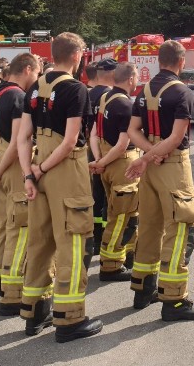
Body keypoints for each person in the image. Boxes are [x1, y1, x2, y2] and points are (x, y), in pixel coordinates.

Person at [16, 32, 102, 342]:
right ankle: (69, 320)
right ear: (77, 56)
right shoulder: (76, 89)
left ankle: (35, 313)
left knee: (40, 241)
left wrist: (29, 174)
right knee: (74, 243)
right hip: (65, 172)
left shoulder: (34, 88)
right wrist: (41, 167)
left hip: (39, 172)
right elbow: (69, 142)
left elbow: (23, 137)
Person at [126, 40, 194, 321]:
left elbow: (132, 130)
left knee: (149, 226)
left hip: (150, 166)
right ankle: (174, 300)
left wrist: (148, 154)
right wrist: (153, 156)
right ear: (181, 62)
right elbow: (175, 138)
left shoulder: (143, 90)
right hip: (172, 165)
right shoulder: (182, 91)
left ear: (158, 61)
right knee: (181, 227)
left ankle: (143, 289)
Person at [0, 52, 40, 315]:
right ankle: (12, 295)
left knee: (3, 228)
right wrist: (2, 170)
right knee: (20, 229)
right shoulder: (17, 97)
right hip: (12, 167)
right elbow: (19, 141)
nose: (36, 79)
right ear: (27, 69)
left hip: (0, 161)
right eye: (36, 74)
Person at [89, 61, 140, 281]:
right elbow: (122, 144)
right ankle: (110, 265)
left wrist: (100, 160)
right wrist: (104, 162)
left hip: (106, 163)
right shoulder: (126, 106)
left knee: (125, 213)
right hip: (121, 165)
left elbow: (94, 134)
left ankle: (129, 254)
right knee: (120, 216)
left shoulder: (104, 99)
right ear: (130, 79)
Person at [87, 58, 117, 258]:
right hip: (106, 151)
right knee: (110, 199)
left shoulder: (88, 94)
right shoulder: (108, 96)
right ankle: (108, 241)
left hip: (91, 149)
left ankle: (96, 240)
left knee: (96, 196)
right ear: (111, 73)